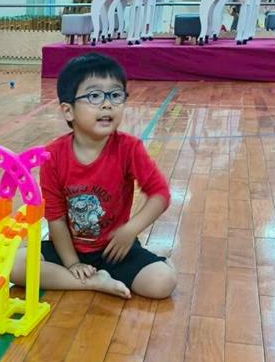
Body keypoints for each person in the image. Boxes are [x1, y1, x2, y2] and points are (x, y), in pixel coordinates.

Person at [11, 53, 177, 300]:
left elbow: (160, 194)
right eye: (95, 96)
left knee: (162, 283)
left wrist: (130, 230)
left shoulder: (129, 148)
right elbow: (56, 219)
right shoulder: (53, 155)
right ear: (68, 111)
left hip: (114, 249)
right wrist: (72, 263)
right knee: (14, 265)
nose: (107, 104)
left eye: (115, 95)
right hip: (67, 248)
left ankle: (153, 262)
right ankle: (93, 283)